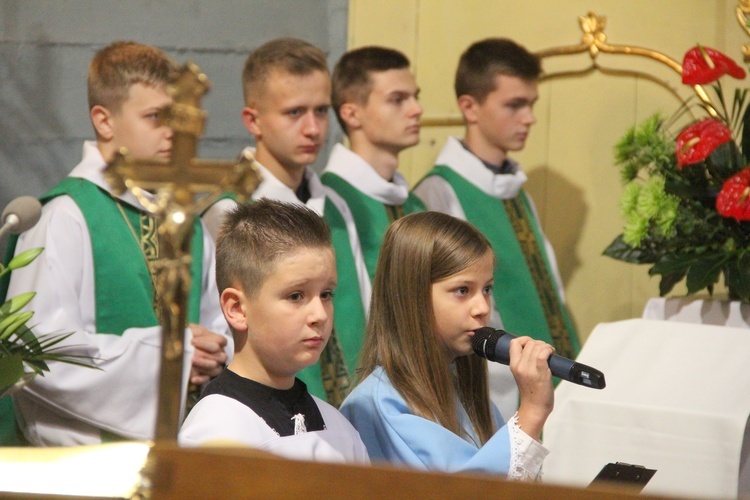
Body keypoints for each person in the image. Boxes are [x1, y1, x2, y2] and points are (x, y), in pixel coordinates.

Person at [0, 41, 232, 446]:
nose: (172, 133)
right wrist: (171, 357)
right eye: (155, 117)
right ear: (104, 122)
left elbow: (218, 326)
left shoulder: (186, 223)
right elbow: (35, 359)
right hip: (82, 466)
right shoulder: (64, 217)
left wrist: (217, 351)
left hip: (185, 450)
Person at [413, 38, 579, 418]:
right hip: (494, 397)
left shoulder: (515, 192)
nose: (530, 118)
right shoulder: (438, 194)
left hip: (547, 384)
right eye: (514, 105)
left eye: (531, 104)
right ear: (470, 107)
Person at [203, 38, 370, 406]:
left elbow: (367, 309)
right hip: (265, 410)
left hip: (347, 413)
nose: (313, 128)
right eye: (294, 113)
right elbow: (219, 327)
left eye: (322, 111)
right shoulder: (226, 213)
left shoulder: (337, 204)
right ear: (254, 120)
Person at [339, 211, 553, 479]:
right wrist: (531, 412)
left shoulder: (462, 394)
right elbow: (462, 490)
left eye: (487, 289)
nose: (482, 308)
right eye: (462, 290)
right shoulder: (379, 404)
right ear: (412, 296)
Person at [180, 199, 369, 464]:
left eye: (326, 294)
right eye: (295, 296)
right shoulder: (215, 435)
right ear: (237, 309)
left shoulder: (339, 427)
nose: (320, 315)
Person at [321, 46, 426, 283]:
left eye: (415, 97)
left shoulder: (415, 204)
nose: (416, 110)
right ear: (351, 114)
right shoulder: (327, 203)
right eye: (397, 99)